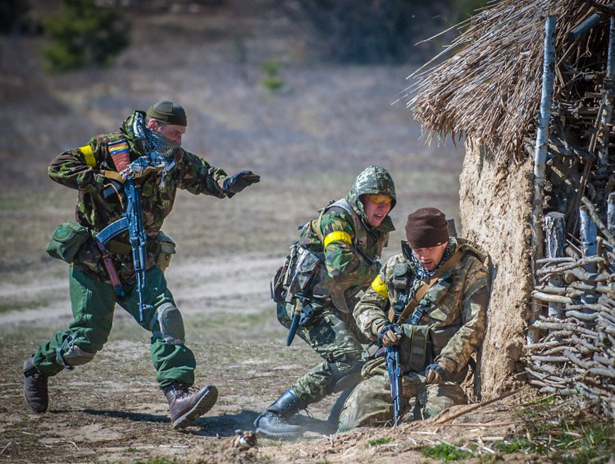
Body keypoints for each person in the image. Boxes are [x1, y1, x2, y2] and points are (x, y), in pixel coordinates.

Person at [23, 100, 260, 429]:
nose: (178, 139)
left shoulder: (172, 159)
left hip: (141, 257)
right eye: (174, 132)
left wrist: (226, 184)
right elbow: (59, 165)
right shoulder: (108, 146)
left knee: (166, 318)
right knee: (85, 342)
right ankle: (38, 367)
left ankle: (178, 396)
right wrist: (102, 180)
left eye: (182, 134)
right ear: (153, 126)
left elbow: (203, 174)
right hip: (96, 258)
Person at [255, 165, 396, 438]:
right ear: (360, 199)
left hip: (336, 301)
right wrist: (385, 276)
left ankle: (341, 417)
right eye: (376, 201)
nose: (382, 208)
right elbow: (341, 265)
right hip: (303, 303)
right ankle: (272, 416)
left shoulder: (377, 229)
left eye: (387, 202)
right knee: (347, 357)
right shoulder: (338, 218)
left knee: (384, 343)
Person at [337, 207, 490, 430]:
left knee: (439, 423)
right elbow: (366, 304)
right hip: (394, 368)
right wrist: (378, 326)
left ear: (445, 242)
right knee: (353, 422)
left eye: (431, 248)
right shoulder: (396, 267)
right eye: (417, 249)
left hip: (439, 374)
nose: (423, 256)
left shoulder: (470, 270)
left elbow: (474, 323)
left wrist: (446, 362)